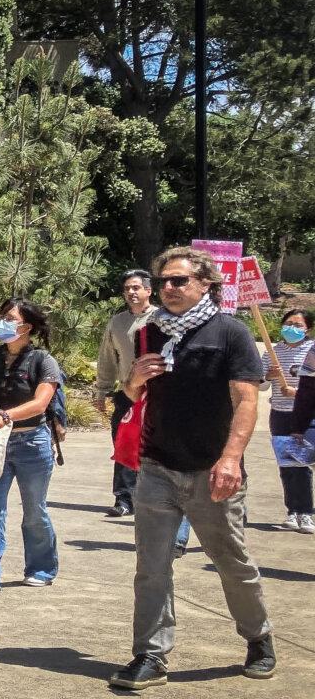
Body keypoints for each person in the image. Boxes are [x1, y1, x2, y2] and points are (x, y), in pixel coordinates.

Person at [108, 246, 274, 690]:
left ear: (206, 284)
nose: (168, 288)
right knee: (151, 566)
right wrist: (135, 379)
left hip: (212, 469)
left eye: (179, 281)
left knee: (231, 562)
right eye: (164, 281)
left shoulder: (230, 333)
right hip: (158, 465)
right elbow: (131, 395)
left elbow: (246, 400)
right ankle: (150, 655)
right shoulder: (150, 333)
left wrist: (231, 459)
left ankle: (258, 637)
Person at [0, 298, 61, 598]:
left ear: (27, 326)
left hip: (32, 442)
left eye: (9, 318)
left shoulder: (43, 360)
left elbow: (41, 402)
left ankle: (41, 568)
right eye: (1, 317)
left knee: (34, 509)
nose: (2, 322)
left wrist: (6, 415)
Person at [96, 270, 156, 516]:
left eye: (136, 288)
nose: (131, 292)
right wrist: (102, 390)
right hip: (126, 394)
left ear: (148, 291)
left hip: (157, 395)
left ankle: (152, 497)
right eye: (127, 289)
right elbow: (107, 358)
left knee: (154, 448)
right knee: (123, 444)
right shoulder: (117, 322)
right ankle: (124, 499)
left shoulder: (163, 318)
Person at [261, 309, 315, 533]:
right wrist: (269, 376)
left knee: (302, 464)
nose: (292, 328)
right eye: (288, 323)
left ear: (307, 329)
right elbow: (261, 385)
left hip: (305, 416)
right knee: (287, 464)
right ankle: (293, 511)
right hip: (280, 415)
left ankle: (307, 513)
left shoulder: (310, 352)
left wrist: (299, 393)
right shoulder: (272, 353)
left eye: (298, 325)